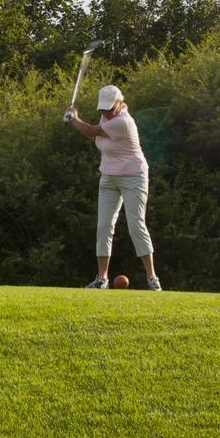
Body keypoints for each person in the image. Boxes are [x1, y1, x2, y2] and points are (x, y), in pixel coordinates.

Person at [66, 84, 162, 291]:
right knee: (103, 227)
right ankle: (102, 279)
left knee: (136, 225)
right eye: (103, 110)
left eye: (110, 109)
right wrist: (78, 123)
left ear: (119, 103)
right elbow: (93, 135)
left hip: (133, 176)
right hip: (108, 177)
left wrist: (73, 118)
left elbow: (91, 131)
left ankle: (152, 278)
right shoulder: (106, 118)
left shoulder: (123, 122)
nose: (106, 113)